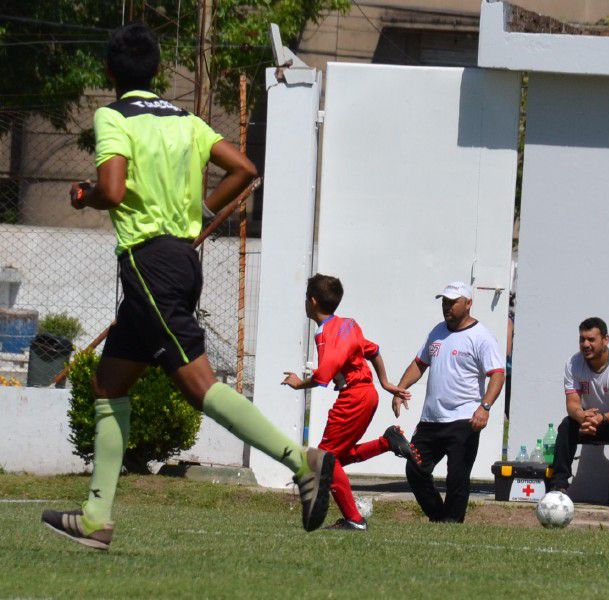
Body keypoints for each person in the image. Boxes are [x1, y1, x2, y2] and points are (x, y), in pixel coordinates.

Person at [41, 24, 334, 550]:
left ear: (110, 74)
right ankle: (95, 518)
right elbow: (244, 169)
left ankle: (301, 462)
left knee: (198, 385)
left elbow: (111, 189)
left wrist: (86, 196)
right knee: (109, 385)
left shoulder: (113, 116)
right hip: (177, 258)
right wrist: (199, 214)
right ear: (155, 72)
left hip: (149, 263)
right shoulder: (186, 121)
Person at [281, 274, 420, 531]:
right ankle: (386, 442)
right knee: (338, 460)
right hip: (368, 394)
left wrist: (299, 383)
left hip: (354, 398)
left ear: (312, 301)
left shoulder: (324, 336)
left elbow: (323, 376)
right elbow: (373, 350)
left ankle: (354, 519)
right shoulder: (349, 324)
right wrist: (386, 383)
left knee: (322, 461)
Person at [391, 281, 505, 523]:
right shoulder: (437, 332)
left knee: (457, 477)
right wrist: (401, 389)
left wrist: (484, 407)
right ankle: (439, 516)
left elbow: (497, 373)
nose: (447, 307)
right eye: (444, 302)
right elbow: (419, 364)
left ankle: (451, 522)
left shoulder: (481, 337)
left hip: (464, 420)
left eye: (452, 302)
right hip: (431, 419)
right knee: (415, 469)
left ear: (468, 304)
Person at [548, 317, 609, 509]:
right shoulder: (573, 363)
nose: (585, 344)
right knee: (567, 426)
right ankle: (558, 487)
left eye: (591, 339)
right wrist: (582, 416)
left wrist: (603, 418)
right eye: (582, 339)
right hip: (591, 417)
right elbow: (573, 403)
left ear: (606, 340)